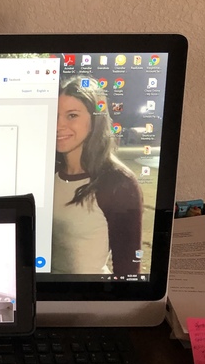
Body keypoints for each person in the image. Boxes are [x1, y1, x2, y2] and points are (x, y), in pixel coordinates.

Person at [52, 76, 143, 276]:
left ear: (94, 120)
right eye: (55, 115)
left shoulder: (117, 182)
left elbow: (128, 270)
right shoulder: (46, 174)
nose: (58, 125)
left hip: (90, 294)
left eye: (72, 115)